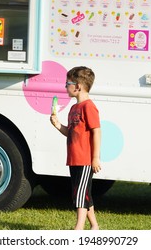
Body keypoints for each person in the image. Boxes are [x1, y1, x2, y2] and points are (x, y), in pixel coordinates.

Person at [50, 66, 101, 230]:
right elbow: (71, 133)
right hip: (74, 159)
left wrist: (95, 158)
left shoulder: (88, 107)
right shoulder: (73, 109)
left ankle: (78, 227)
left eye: (68, 83)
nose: (65, 87)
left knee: (80, 194)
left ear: (77, 86)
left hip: (85, 159)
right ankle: (94, 225)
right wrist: (58, 125)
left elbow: (96, 132)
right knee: (84, 193)